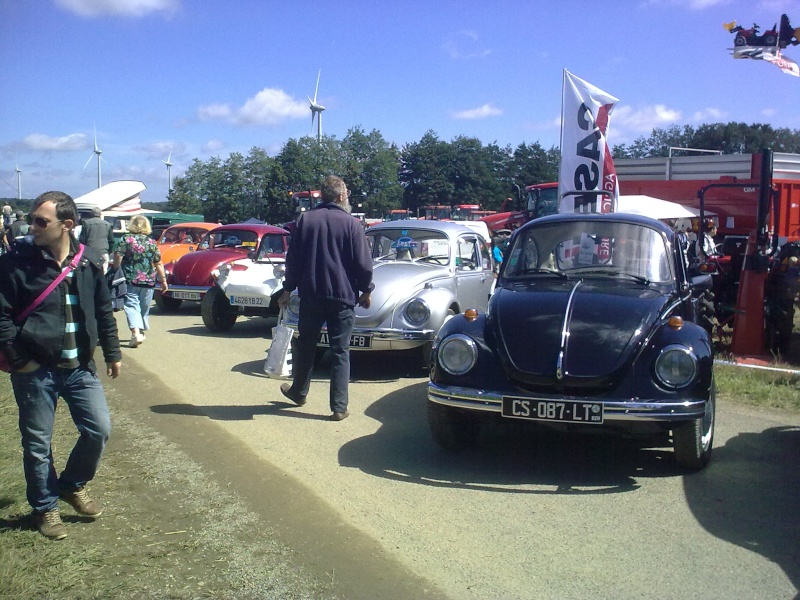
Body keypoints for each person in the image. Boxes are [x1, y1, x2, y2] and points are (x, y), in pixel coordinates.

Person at [0, 191, 122, 540]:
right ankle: (45, 507)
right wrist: (20, 360)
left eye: (41, 221)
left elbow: (103, 311)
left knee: (99, 429)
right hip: (35, 370)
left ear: (67, 225)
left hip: (80, 366)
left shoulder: (88, 262)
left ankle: (72, 485)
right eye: (32, 219)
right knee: (38, 444)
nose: (31, 226)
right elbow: (2, 316)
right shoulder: (15, 263)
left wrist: (113, 353)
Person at [277, 175, 373, 421]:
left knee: (306, 346)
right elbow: (363, 263)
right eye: (347, 193)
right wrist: (366, 289)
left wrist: (288, 289)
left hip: (311, 295)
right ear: (340, 196)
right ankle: (339, 407)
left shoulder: (305, 220)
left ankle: (299, 392)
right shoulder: (352, 224)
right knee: (340, 351)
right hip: (342, 298)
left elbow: (294, 260)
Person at [112, 215, 168, 348]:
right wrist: (163, 280)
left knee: (132, 306)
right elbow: (158, 263)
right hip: (149, 281)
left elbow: (118, 255)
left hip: (131, 279)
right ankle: (140, 331)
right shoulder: (152, 242)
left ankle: (136, 333)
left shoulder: (126, 239)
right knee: (144, 307)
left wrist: (116, 269)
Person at [79, 206, 114, 273]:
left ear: (91, 214)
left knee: (90, 274)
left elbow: (82, 240)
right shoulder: (107, 224)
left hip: (90, 253)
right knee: (103, 274)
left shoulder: (86, 223)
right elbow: (111, 240)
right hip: (103, 252)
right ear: (100, 215)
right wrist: (108, 251)